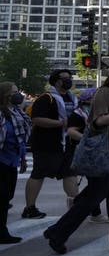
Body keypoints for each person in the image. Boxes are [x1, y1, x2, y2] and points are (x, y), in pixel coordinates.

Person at [43, 64, 109, 254]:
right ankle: (58, 232)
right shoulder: (105, 92)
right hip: (105, 147)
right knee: (97, 194)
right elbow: (99, 121)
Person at [22, 69, 78, 219]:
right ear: (57, 81)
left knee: (70, 173)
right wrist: (61, 123)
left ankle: (76, 207)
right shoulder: (46, 98)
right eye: (66, 78)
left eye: (70, 78)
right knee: (39, 174)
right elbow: (37, 119)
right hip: (47, 144)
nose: (69, 80)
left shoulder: (72, 98)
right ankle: (29, 208)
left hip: (67, 143)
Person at [66, 88, 107, 223]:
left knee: (96, 183)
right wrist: (87, 140)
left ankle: (87, 208)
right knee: (96, 184)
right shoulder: (78, 114)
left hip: (94, 151)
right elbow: (71, 131)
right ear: (89, 99)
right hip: (85, 151)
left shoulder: (93, 112)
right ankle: (91, 211)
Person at [0, 82, 27, 243]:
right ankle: (2, 232)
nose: (19, 95)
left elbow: (20, 139)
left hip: (12, 160)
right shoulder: (3, 114)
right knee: (2, 198)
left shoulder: (15, 112)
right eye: (15, 92)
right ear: (6, 95)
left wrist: (22, 158)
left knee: (6, 197)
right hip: (2, 160)